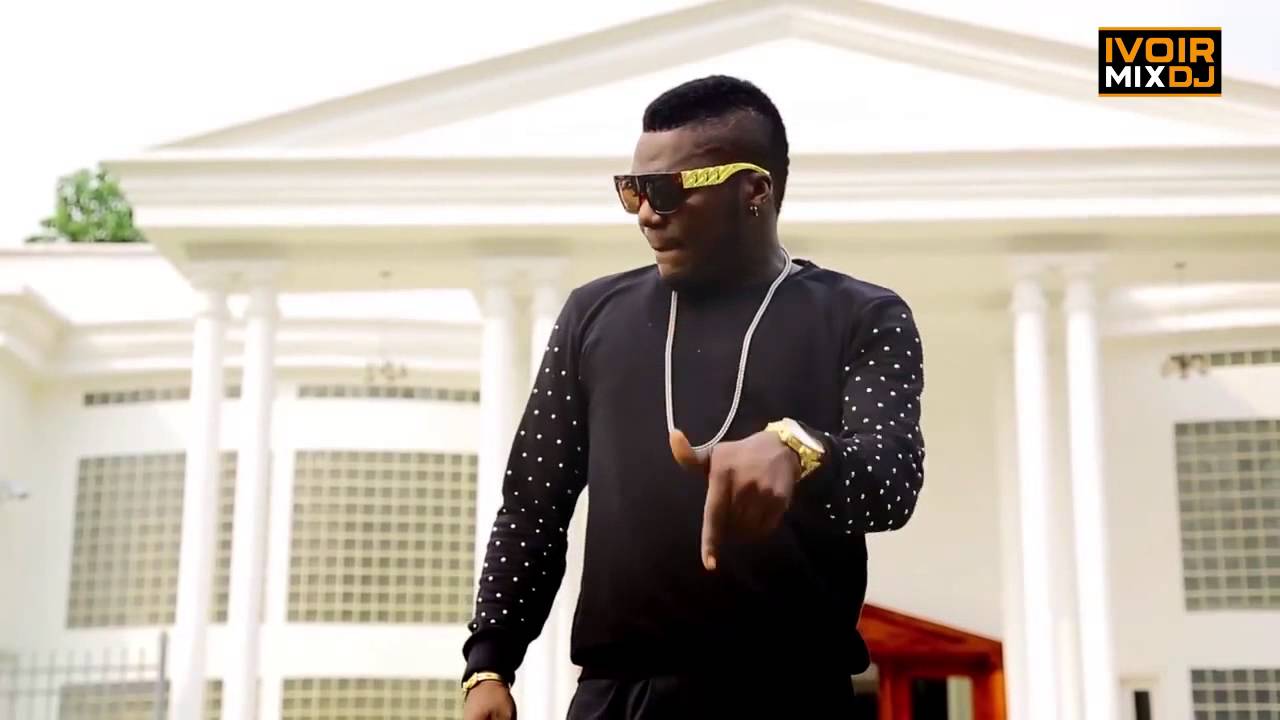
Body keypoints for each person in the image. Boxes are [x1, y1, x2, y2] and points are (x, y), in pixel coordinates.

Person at [461, 74, 926, 719]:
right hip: (617, 697)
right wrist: (489, 663)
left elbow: (892, 480)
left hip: (789, 694)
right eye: (633, 190)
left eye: (668, 190)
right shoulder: (592, 315)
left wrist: (799, 450)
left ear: (754, 190)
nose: (646, 213)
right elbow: (533, 506)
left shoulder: (863, 315)